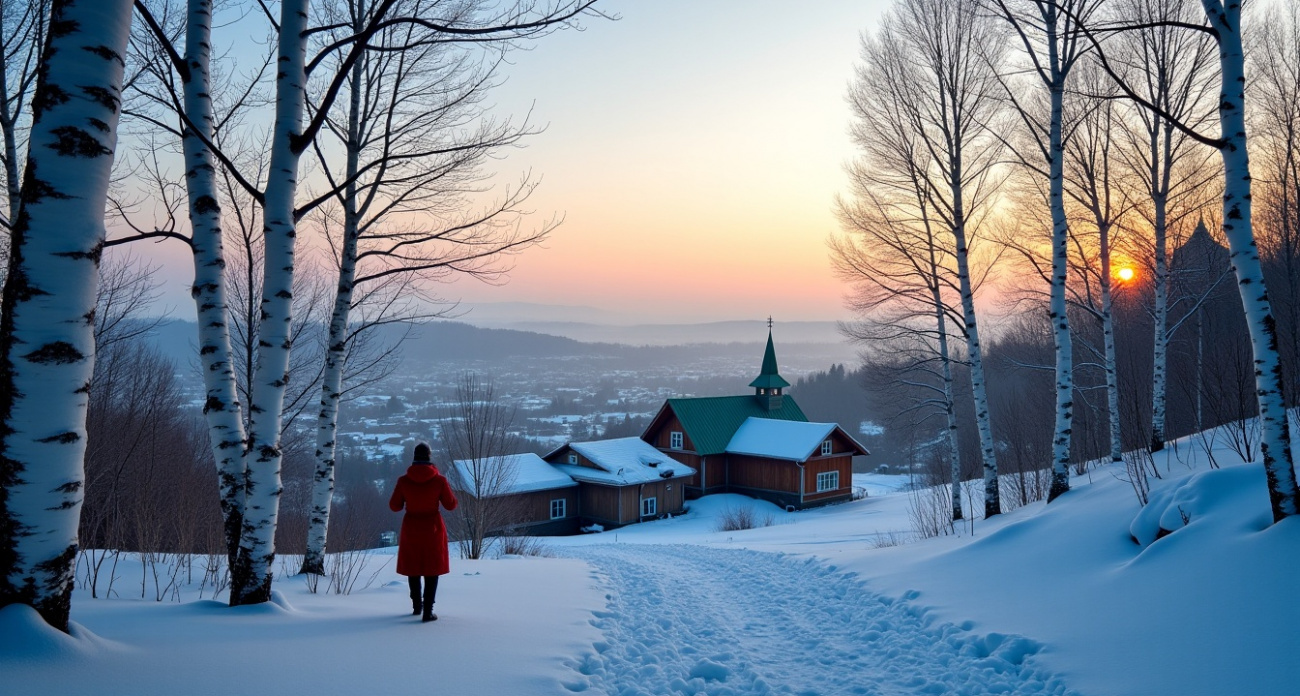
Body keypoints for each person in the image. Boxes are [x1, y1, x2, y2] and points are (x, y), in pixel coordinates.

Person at [388, 442, 458, 622]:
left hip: (411, 527)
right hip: (433, 528)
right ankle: (428, 610)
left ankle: (416, 606)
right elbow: (451, 505)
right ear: (429, 457)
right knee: (431, 569)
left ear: (414, 457)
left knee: (413, 568)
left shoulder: (403, 481)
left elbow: (394, 506)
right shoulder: (440, 480)